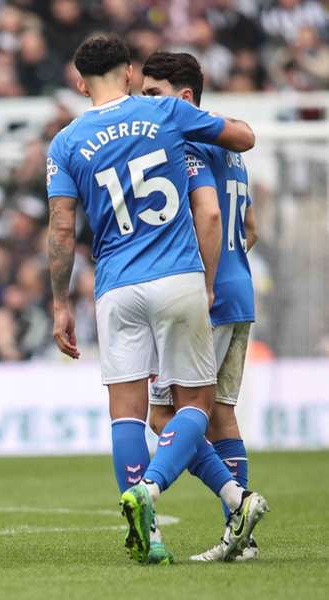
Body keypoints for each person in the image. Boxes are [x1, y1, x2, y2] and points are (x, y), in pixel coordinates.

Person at [45, 34, 269, 564]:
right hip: (179, 277)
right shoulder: (166, 112)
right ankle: (166, 491)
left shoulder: (65, 141)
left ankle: (160, 530)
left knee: (128, 412)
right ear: (127, 73)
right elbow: (244, 137)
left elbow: (60, 229)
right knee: (198, 404)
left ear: (79, 82)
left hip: (115, 285)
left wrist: (58, 303)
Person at [141, 51, 260, 562]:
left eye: (153, 94)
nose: (145, 103)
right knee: (221, 415)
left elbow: (207, 216)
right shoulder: (232, 152)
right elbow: (249, 228)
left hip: (207, 296)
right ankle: (243, 535)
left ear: (183, 98)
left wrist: (205, 284)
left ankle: (238, 501)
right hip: (242, 292)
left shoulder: (188, 142)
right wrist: (227, 275)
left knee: (164, 413)